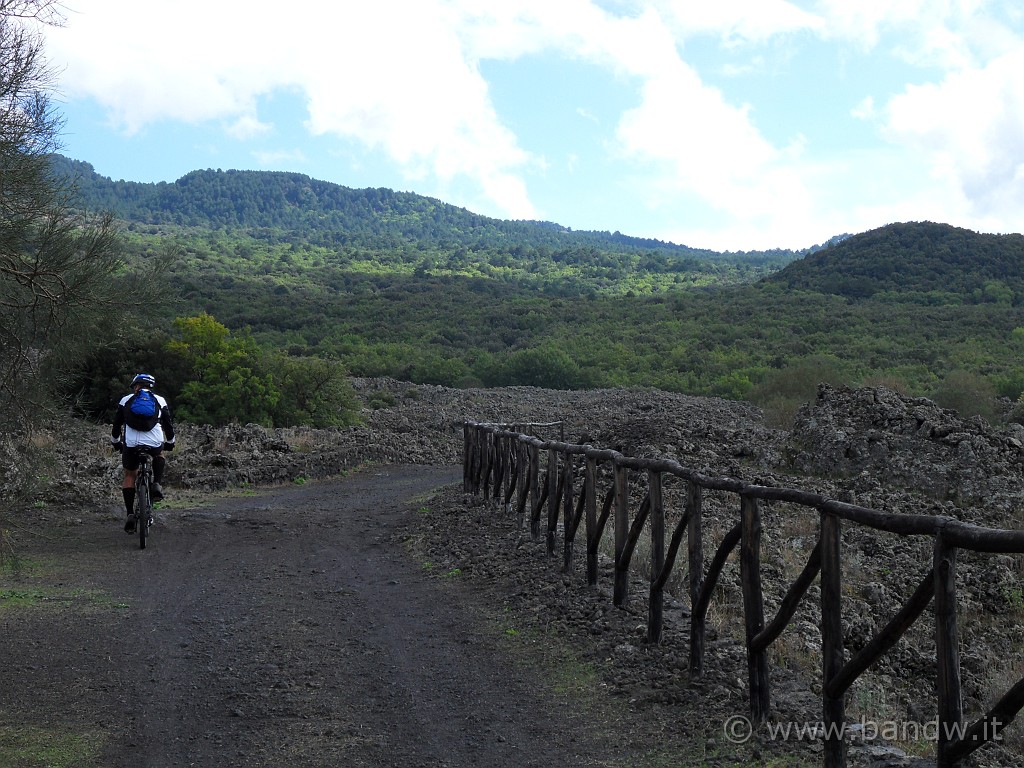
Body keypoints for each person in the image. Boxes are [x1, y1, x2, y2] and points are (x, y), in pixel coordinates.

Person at [111, 373, 175, 533]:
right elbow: (168, 425)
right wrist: (170, 442)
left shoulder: (126, 400)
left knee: (130, 475)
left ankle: (130, 514)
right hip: (154, 441)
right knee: (159, 456)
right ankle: (156, 484)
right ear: (150, 386)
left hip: (131, 444)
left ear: (137, 386)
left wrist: (116, 442)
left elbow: (117, 424)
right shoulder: (159, 400)